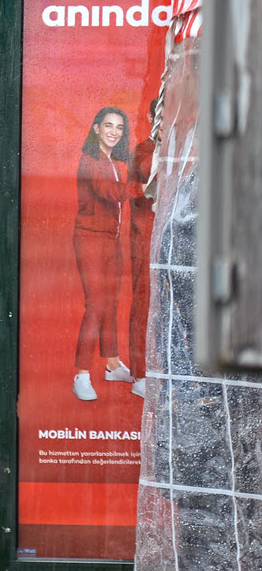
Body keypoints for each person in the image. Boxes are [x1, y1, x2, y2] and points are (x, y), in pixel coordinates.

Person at [71, 106, 144, 401]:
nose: (114, 132)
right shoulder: (90, 160)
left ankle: (112, 364)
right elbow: (108, 191)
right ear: (97, 128)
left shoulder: (115, 161)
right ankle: (81, 374)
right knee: (95, 305)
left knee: (111, 303)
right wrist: (143, 188)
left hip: (112, 241)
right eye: (109, 126)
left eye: (120, 127)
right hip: (89, 239)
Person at [127, 101, 157, 399]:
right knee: (145, 302)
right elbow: (141, 181)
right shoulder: (144, 151)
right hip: (146, 239)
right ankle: (140, 373)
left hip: (175, 241)